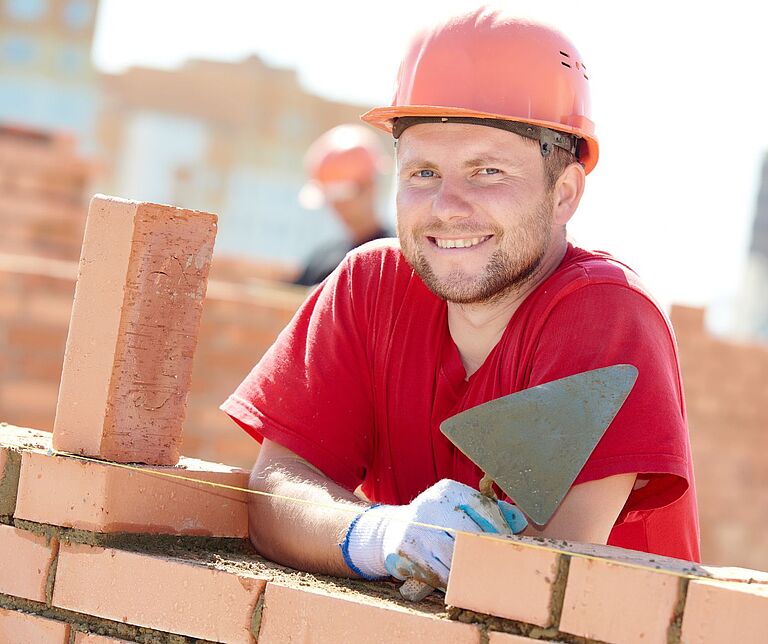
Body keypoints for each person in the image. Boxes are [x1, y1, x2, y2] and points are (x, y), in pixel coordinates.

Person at [222, 8, 700, 592]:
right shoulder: (369, 286)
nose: (447, 206)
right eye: (422, 172)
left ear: (565, 192)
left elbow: (534, 578)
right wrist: (378, 536)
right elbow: (276, 488)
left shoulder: (604, 314)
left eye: (487, 171)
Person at [293, 124, 391, 286]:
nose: (336, 206)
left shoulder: (395, 259)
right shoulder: (322, 259)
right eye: (330, 196)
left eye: (341, 194)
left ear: (370, 186)